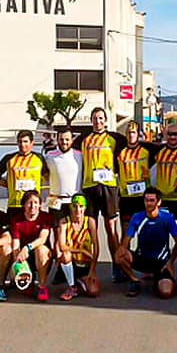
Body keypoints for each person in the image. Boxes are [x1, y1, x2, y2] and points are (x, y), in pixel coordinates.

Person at [72, 107, 128, 282]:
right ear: (91, 120)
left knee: (111, 230)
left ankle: (118, 266)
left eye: (101, 118)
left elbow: (132, 148)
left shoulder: (115, 138)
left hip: (108, 188)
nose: (98, 122)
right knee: (91, 230)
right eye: (95, 118)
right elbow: (66, 150)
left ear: (106, 120)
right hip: (89, 188)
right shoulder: (82, 139)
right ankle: (88, 268)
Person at [115, 186, 177, 299]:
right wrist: (122, 249)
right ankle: (135, 280)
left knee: (166, 293)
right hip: (143, 259)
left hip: (161, 262)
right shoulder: (137, 217)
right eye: (146, 200)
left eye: (152, 200)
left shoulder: (167, 218)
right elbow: (126, 242)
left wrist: (170, 262)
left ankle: (159, 278)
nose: (149, 203)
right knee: (118, 256)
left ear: (159, 202)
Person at [117, 121, 159, 238]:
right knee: (126, 234)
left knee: (145, 232)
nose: (131, 135)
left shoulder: (147, 150)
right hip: (126, 198)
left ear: (138, 134)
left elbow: (165, 147)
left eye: (134, 132)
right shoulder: (120, 152)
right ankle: (126, 255)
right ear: (126, 134)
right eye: (129, 133)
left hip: (143, 197)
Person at [11, 190, 54, 302]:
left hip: (41, 256)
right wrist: (19, 264)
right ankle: (28, 278)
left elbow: (42, 239)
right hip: (25, 258)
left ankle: (42, 286)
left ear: (40, 204)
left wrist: (27, 247)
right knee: (25, 291)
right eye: (29, 203)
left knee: (41, 249)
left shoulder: (46, 217)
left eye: (35, 202)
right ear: (24, 205)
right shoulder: (17, 221)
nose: (32, 206)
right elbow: (15, 245)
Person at [55, 194, 100, 301]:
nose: (78, 210)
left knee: (94, 291)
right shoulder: (64, 222)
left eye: (81, 206)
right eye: (75, 206)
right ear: (70, 207)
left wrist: (92, 270)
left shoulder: (90, 222)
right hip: (71, 261)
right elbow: (62, 246)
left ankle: (80, 282)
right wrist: (82, 250)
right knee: (64, 254)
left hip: (86, 264)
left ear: (85, 208)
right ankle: (72, 286)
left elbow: (96, 245)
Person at [153, 123, 177, 243]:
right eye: (170, 134)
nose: (173, 137)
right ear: (166, 135)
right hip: (163, 199)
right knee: (161, 232)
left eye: (176, 134)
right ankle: (164, 260)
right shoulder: (158, 149)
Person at [0, 130, 49, 221]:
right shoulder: (9, 158)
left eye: (25, 142)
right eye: (20, 141)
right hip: (15, 204)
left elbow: (46, 175)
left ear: (32, 143)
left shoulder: (39, 158)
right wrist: (8, 184)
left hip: (33, 206)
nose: (22, 144)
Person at [44, 127, 83, 224]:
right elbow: (44, 175)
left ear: (72, 140)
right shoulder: (49, 156)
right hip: (56, 201)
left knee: (74, 233)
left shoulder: (80, 155)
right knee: (58, 234)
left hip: (75, 202)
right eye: (61, 139)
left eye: (67, 139)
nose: (64, 142)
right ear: (57, 140)